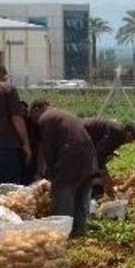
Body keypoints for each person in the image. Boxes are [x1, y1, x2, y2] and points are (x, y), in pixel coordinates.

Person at [28, 101, 99, 237]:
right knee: (81, 191)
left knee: (63, 192)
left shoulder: (45, 118)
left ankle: (61, 233)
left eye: (32, 117)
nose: (33, 121)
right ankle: (78, 231)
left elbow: (49, 148)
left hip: (70, 154)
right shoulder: (62, 113)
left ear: (37, 109)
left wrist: (49, 173)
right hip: (87, 155)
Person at [83, 118, 135, 197]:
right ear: (129, 134)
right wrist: (107, 180)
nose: (131, 142)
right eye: (132, 139)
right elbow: (98, 157)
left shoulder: (120, 132)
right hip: (79, 137)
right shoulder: (116, 134)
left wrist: (110, 152)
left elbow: (102, 146)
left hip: (85, 137)